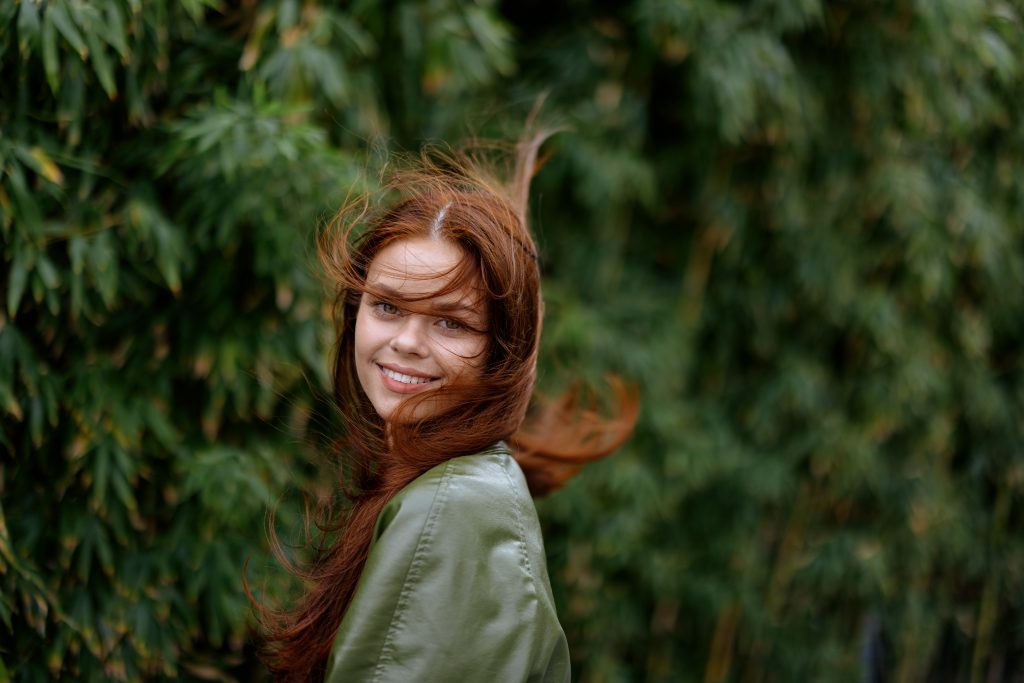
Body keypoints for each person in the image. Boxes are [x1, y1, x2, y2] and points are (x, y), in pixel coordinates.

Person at [251, 134, 637, 682]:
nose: (407, 342)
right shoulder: (453, 485)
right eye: (387, 306)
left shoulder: (454, 506)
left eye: (450, 322)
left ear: (501, 350)